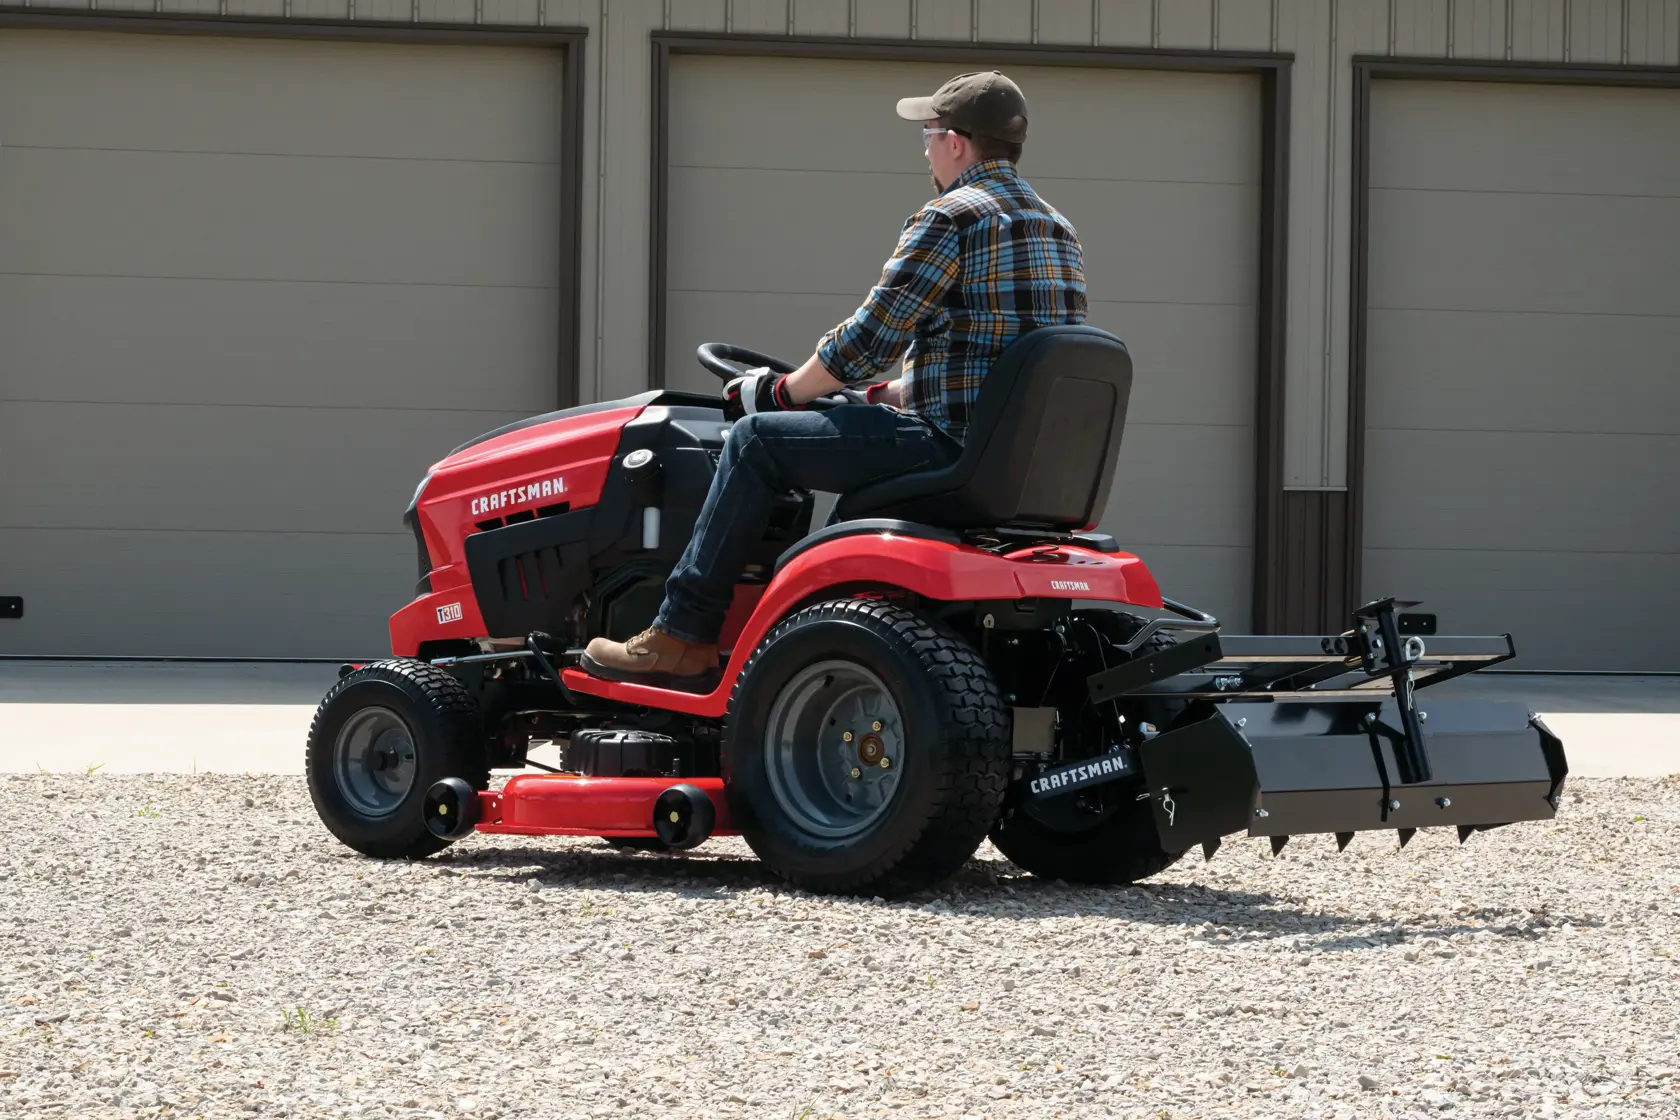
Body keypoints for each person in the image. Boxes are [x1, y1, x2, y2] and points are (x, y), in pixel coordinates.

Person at [582, 70, 1089, 690]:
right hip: (1014, 464)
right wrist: (886, 395)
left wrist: (781, 391)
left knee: (756, 442)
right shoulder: (1058, 230)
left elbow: (867, 342)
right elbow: (1006, 363)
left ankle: (681, 635)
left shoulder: (953, 217)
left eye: (928, 135)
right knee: (812, 436)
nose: (925, 149)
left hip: (948, 446)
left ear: (957, 142)